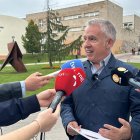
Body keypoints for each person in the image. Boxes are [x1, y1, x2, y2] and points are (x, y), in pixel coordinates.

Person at [61, 19, 140, 140]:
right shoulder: (74, 71)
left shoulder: (130, 74)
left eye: (92, 39)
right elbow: (66, 103)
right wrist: (68, 122)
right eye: (85, 39)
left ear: (109, 42)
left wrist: (130, 132)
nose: (86, 44)